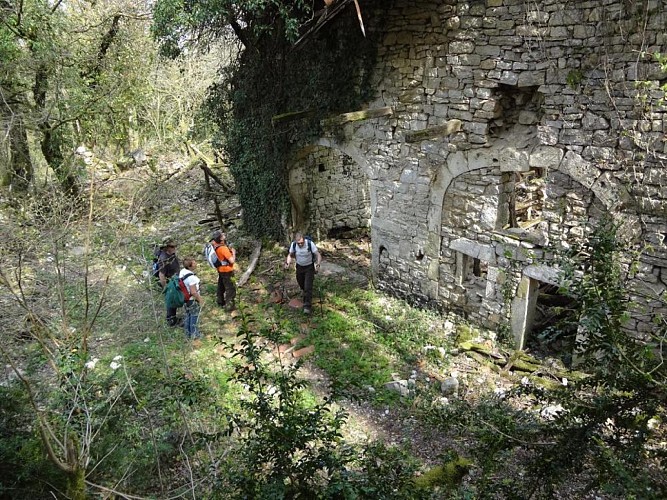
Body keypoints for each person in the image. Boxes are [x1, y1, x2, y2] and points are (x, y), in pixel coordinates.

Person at [285, 232, 322, 314]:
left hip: (309, 267)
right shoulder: (294, 245)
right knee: (301, 283)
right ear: (296, 242)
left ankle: (307, 306)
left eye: (302, 243)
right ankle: (305, 292)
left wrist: (318, 264)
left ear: (304, 240)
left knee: (308, 286)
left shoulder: (310, 244)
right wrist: (287, 263)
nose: (301, 244)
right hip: (299, 267)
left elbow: (318, 255)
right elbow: (290, 255)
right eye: (299, 243)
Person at [210, 230, 236, 311]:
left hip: (220, 270)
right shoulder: (223, 248)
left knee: (221, 286)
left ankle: (220, 301)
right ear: (221, 239)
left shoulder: (215, 246)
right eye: (222, 235)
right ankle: (230, 306)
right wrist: (234, 253)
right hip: (227, 270)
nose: (224, 234)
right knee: (230, 288)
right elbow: (232, 261)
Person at [157, 239, 181, 326]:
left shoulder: (171, 255)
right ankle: (171, 320)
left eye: (175, 246)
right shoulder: (163, 259)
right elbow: (161, 274)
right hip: (169, 283)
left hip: (174, 281)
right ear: (166, 248)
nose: (174, 248)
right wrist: (166, 287)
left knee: (173, 300)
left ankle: (173, 318)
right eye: (172, 246)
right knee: (170, 301)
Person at [180, 257, 203, 340]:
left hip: (185, 299)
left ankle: (187, 333)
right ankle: (194, 334)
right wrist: (200, 300)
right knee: (194, 316)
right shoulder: (191, 278)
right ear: (190, 266)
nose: (195, 264)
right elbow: (193, 291)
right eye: (194, 263)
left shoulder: (182, 272)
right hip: (192, 299)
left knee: (188, 315)